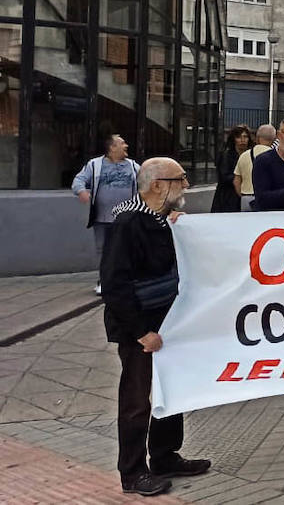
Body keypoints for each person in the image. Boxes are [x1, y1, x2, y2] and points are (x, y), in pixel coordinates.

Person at [101, 157, 211, 496]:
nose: (187, 186)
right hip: (142, 328)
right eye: (180, 179)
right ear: (158, 185)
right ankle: (133, 472)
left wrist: (178, 227)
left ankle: (165, 455)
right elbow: (114, 284)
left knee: (170, 391)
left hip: (168, 322)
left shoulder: (159, 218)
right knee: (137, 400)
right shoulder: (129, 222)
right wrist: (140, 332)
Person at [72, 134, 141, 295]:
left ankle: (125, 280)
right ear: (112, 148)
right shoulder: (95, 165)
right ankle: (104, 281)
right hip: (102, 218)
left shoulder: (133, 166)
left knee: (126, 250)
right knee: (103, 250)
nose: (126, 146)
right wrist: (81, 191)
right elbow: (78, 180)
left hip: (126, 218)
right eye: (122, 143)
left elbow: (146, 182)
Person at [234, 124, 274, 211]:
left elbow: (236, 181)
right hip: (266, 199)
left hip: (246, 198)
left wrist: (243, 195)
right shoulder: (276, 157)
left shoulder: (244, 155)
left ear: (257, 138)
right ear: (273, 139)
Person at [212, 126, 250, 213]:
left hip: (244, 195)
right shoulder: (226, 155)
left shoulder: (250, 155)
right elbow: (224, 176)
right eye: (239, 137)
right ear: (234, 139)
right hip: (227, 196)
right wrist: (240, 178)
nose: (242, 140)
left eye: (245, 137)